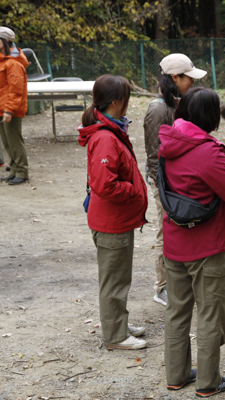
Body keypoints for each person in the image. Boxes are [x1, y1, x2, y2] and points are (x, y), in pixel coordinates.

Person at [159, 87, 225, 396]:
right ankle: (209, 382)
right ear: (210, 116)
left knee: (177, 310)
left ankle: (177, 374)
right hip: (206, 245)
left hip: (174, 241)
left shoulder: (168, 142)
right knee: (210, 313)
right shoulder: (206, 150)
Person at [78, 75, 149, 350]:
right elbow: (105, 185)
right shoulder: (106, 137)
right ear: (117, 101)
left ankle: (117, 323)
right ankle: (115, 336)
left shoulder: (110, 129)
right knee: (114, 281)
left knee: (119, 277)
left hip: (115, 220)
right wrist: (133, 190)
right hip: (111, 223)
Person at [143, 53, 207, 307]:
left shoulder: (175, 103)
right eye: (188, 78)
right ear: (175, 77)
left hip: (175, 182)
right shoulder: (157, 109)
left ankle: (175, 281)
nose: (191, 82)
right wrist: (164, 187)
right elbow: (153, 155)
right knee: (165, 232)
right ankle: (161, 287)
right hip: (163, 183)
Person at [0, 26, 30, 185]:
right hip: (0, 109)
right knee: (7, 142)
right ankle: (14, 170)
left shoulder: (13, 63)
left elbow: (16, 90)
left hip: (10, 110)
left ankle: (22, 172)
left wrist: (9, 110)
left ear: (6, 40)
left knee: (15, 141)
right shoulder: (0, 61)